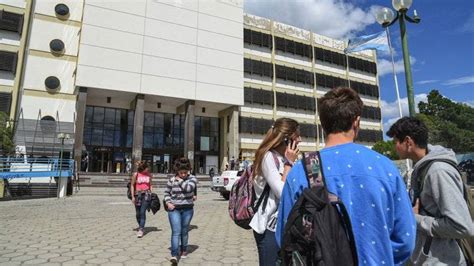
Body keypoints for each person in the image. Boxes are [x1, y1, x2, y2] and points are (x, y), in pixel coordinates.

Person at [276, 87, 416, 265]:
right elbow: (405, 240)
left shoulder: (302, 170)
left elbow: (284, 236)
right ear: (356, 122)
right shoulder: (385, 167)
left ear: (322, 124)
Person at [387, 117, 473, 265]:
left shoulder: (438, 171)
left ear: (408, 142)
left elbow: (462, 227)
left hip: (445, 261)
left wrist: (415, 219)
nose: (395, 147)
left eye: (396, 142)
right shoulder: (421, 168)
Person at [250, 117, 300, 265]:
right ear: (286, 139)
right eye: (297, 136)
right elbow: (282, 192)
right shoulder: (268, 157)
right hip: (268, 228)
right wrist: (289, 164)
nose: (301, 140)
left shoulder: (283, 158)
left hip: (285, 225)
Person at [164, 157, 198, 264]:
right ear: (177, 171)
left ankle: (184, 250)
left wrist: (180, 181)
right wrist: (168, 202)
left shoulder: (192, 179)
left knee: (184, 231)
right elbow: (166, 193)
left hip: (188, 209)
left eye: (185, 172)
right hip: (174, 210)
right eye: (181, 172)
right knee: (176, 231)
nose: (183, 174)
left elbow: (188, 188)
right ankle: (174, 254)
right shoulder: (171, 180)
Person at [130, 161, 153, 238]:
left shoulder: (149, 175)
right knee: (138, 213)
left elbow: (150, 185)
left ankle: (141, 229)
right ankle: (141, 225)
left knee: (143, 212)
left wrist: (151, 193)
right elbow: (132, 185)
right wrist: (133, 196)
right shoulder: (136, 174)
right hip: (138, 195)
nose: (148, 169)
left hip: (146, 195)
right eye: (147, 168)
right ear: (143, 168)